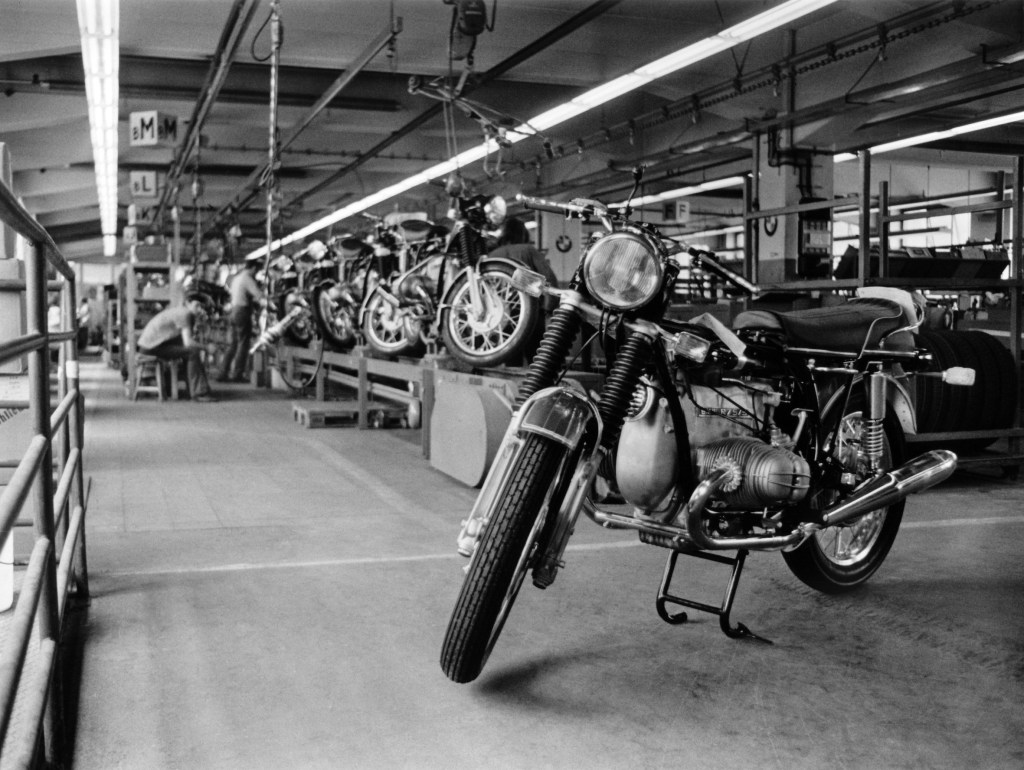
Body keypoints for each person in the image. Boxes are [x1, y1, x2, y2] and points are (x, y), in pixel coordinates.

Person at [137, 293, 217, 402]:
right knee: (192, 352)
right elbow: (188, 342)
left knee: (190, 351)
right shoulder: (185, 314)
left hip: (150, 346)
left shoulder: (180, 311)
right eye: (197, 305)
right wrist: (206, 347)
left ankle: (195, 390)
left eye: (201, 307)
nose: (199, 309)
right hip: (151, 348)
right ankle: (199, 393)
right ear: (187, 303)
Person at [216, 259, 263, 382]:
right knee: (243, 343)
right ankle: (237, 374)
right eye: (257, 270)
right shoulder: (247, 278)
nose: (256, 273)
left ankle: (222, 372)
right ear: (253, 268)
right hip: (242, 311)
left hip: (234, 311)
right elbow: (259, 295)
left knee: (233, 344)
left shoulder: (237, 278)